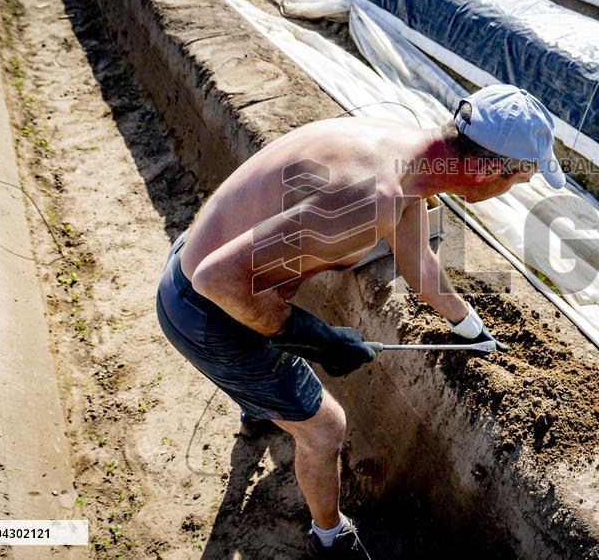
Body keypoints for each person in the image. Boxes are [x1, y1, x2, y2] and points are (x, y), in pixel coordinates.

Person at [155, 84, 565, 558]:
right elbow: (217, 280)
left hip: (194, 256)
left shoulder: (408, 157)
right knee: (326, 427)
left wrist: (469, 327)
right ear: (489, 168)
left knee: (271, 349)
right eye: (517, 180)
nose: (511, 189)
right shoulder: (371, 198)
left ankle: (259, 406)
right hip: (203, 310)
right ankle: (330, 537)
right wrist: (315, 336)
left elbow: (419, 264)